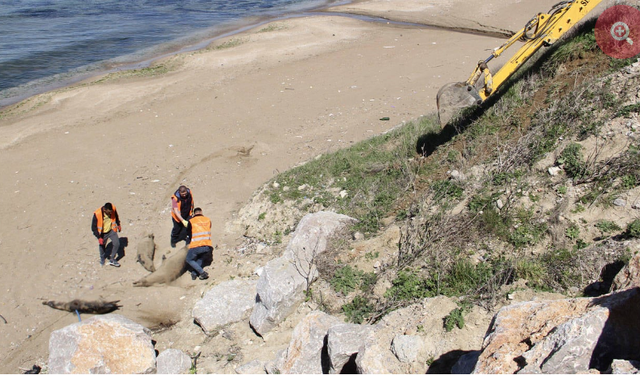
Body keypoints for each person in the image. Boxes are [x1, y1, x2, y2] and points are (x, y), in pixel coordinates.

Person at [185, 207, 212, 280]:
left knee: (189, 259)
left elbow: (189, 234)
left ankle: (203, 273)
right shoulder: (207, 220)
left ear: (194, 214)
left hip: (196, 245)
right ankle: (194, 273)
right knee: (200, 258)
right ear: (201, 212)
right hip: (207, 245)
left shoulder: (191, 221)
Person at [91, 202, 122, 267]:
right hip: (102, 233)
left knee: (117, 243)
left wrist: (118, 224)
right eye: (109, 212)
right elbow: (93, 227)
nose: (110, 213)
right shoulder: (97, 214)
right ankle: (102, 258)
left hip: (111, 230)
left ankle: (112, 259)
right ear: (105, 210)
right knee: (102, 246)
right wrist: (99, 237)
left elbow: (116, 216)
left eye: (111, 212)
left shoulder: (113, 209)